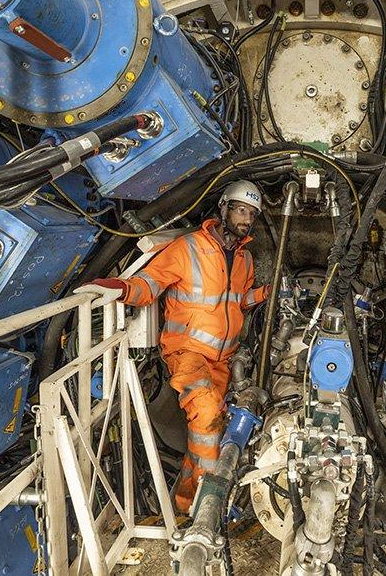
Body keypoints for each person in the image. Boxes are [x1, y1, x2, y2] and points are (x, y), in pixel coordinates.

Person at [75, 180, 268, 512]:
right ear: (223, 208)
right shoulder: (188, 248)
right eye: (239, 210)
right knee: (207, 414)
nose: (245, 219)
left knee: (210, 431)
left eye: (251, 214)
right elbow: (149, 285)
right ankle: (210, 507)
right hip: (188, 353)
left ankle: (184, 502)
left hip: (224, 359)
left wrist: (268, 293)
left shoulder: (245, 259)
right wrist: (118, 288)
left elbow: (239, 301)